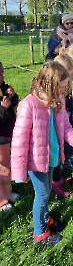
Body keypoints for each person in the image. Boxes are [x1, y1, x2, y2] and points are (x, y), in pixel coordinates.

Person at [11, 61, 73, 245]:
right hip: (36, 163)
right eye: (61, 87)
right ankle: (40, 233)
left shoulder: (57, 101)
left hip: (52, 158)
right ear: (49, 84)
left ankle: (44, 217)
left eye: (65, 86)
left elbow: (67, 129)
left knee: (48, 190)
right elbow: (19, 142)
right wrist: (19, 173)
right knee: (43, 194)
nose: (64, 91)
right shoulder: (28, 105)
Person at [0, 62, 19, 212]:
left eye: (2, 73)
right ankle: (1, 200)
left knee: (6, 167)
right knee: (1, 168)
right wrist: (3, 109)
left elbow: (13, 104)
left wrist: (12, 96)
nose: (2, 77)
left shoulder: (2, 89)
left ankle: (7, 192)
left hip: (6, 137)